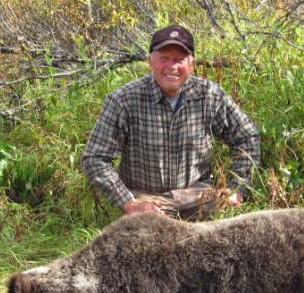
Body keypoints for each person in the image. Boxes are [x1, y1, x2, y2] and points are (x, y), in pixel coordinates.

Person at [82, 25, 260, 220]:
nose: (172, 66)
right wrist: (129, 202)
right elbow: (95, 158)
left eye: (179, 60)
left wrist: (237, 188)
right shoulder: (124, 100)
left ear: (191, 64)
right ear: (150, 61)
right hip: (147, 201)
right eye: (164, 58)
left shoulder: (210, 95)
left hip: (198, 196)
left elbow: (247, 136)